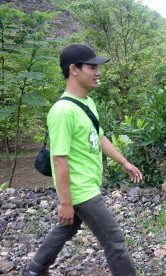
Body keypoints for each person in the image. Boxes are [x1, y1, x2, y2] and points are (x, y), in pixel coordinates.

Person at [23, 44, 143, 276]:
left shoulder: (86, 103)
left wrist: (124, 162)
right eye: (91, 66)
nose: (97, 72)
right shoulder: (62, 112)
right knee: (115, 240)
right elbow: (59, 160)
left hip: (85, 185)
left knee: (67, 228)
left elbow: (99, 137)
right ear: (74, 69)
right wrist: (65, 202)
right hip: (81, 190)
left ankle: (34, 270)